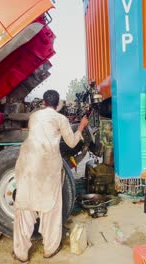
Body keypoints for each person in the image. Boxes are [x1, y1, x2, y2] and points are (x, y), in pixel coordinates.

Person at [12, 90, 88, 262]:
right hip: (47, 166)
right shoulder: (61, 119)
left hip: (27, 162)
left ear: (44, 103)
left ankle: (20, 253)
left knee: (24, 206)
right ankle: (50, 248)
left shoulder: (34, 116)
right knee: (50, 208)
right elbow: (71, 142)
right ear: (57, 104)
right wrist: (81, 126)